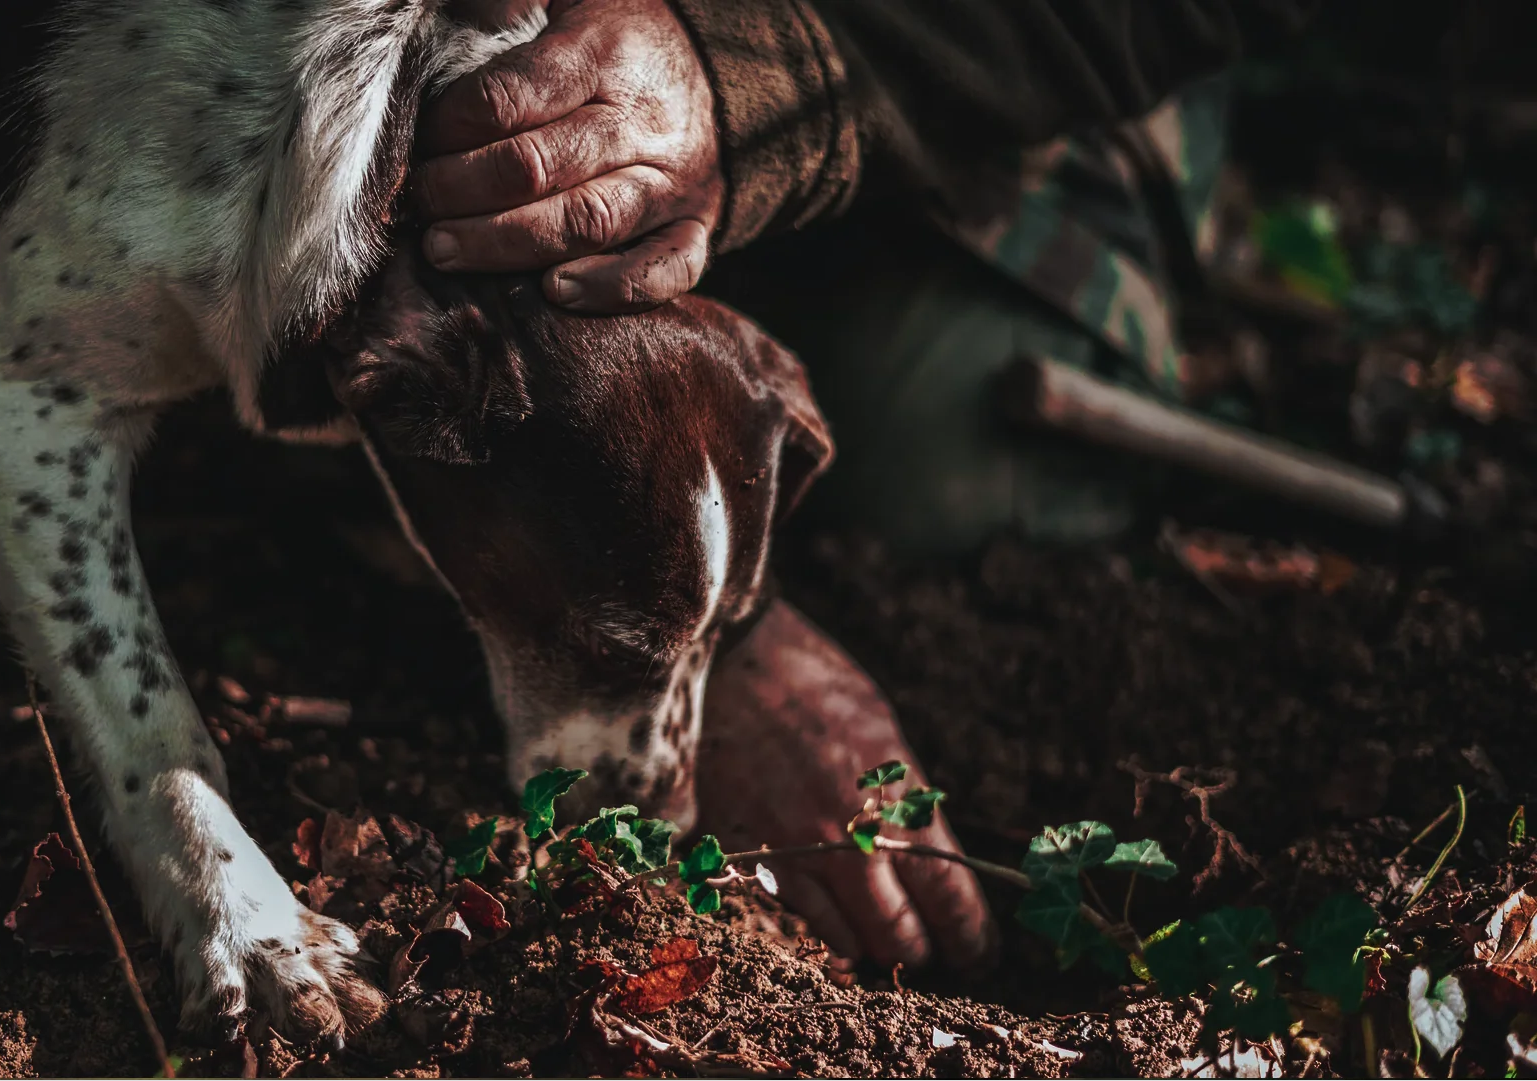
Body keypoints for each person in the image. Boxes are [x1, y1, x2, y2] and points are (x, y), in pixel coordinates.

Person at [410, 0, 1323, 975]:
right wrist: (688, 613)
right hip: (557, 78)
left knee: (961, 471)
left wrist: (741, 71)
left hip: (954, 60)